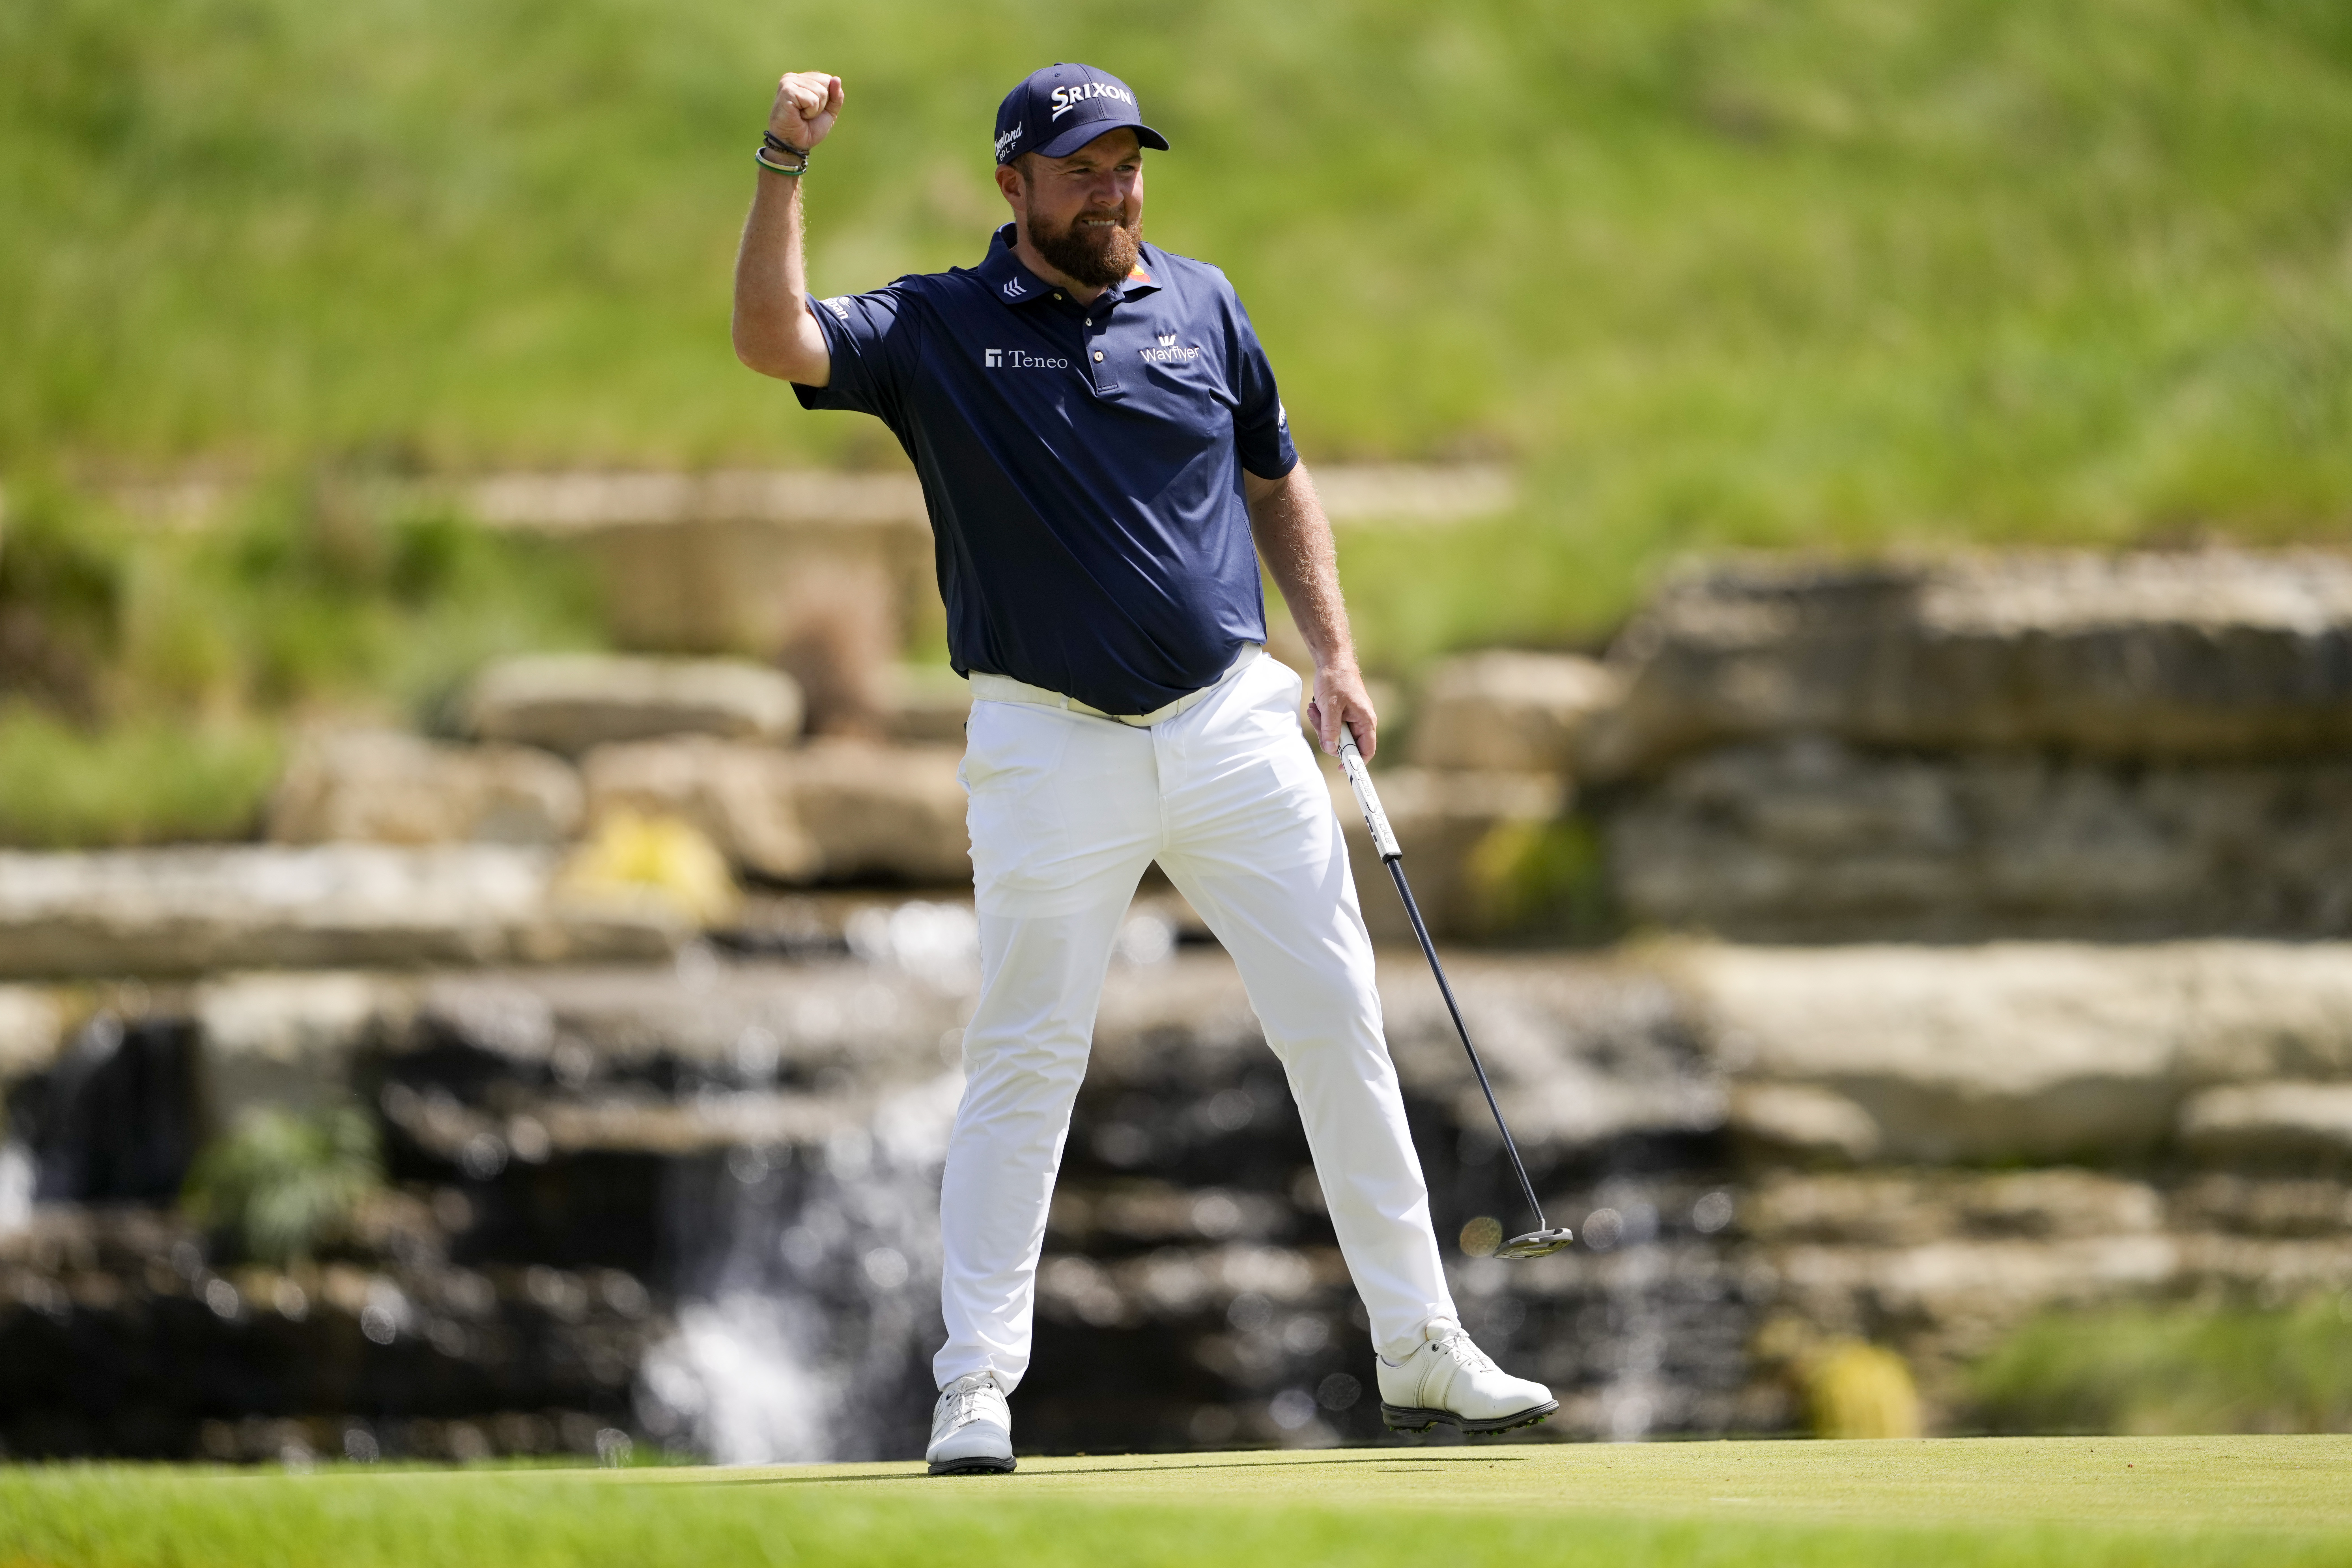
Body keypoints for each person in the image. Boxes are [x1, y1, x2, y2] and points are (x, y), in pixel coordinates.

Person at [732, 61, 1555, 1475]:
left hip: (1234, 721)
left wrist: (1336, 654)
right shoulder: (938, 325)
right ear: (1014, 185)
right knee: (1025, 1060)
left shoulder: (1204, 303)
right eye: (1082, 171)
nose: (1113, 193)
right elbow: (771, 340)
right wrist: (781, 163)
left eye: (1127, 167)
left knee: (1337, 1023)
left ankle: (1421, 1346)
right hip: (1048, 740)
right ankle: (974, 1390)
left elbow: (1277, 475)